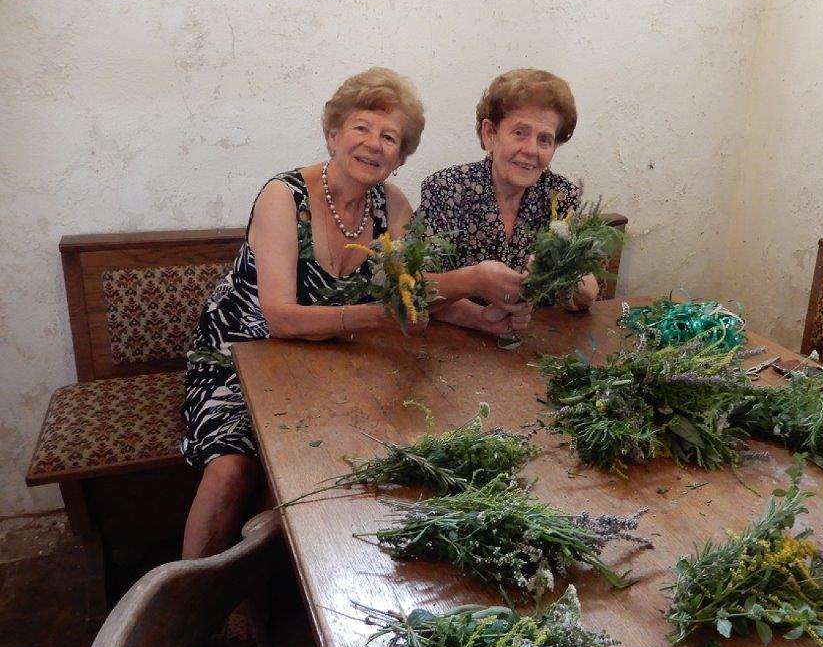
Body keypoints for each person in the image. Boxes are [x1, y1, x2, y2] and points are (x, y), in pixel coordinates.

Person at [180, 67, 426, 562]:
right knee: (232, 468)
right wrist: (378, 315)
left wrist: (480, 312)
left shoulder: (393, 208)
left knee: (377, 445)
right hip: (239, 357)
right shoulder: (284, 196)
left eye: (389, 137)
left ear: (400, 157)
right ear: (333, 134)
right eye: (361, 127)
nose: (373, 144)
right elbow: (281, 318)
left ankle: (295, 581)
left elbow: (415, 289)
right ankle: (190, 594)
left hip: (325, 362)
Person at [421, 68, 599, 334]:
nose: (531, 150)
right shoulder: (446, 189)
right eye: (519, 133)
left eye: (544, 139)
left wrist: (574, 284)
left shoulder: (561, 196)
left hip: (533, 343)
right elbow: (415, 289)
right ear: (490, 134)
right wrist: (476, 290)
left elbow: (582, 292)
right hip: (452, 343)